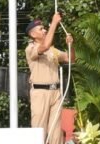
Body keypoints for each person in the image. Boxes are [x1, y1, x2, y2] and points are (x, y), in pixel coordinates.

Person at [25, 12, 74, 144]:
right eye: (41, 29)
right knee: (39, 130)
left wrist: (71, 45)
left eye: (44, 28)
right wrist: (54, 23)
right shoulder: (31, 48)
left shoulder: (53, 50)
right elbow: (44, 46)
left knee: (56, 131)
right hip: (40, 93)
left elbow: (70, 58)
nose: (45, 30)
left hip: (55, 92)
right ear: (33, 34)